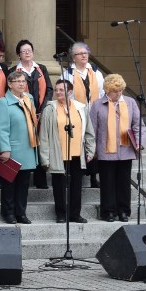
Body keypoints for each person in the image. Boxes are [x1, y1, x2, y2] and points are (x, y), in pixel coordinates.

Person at [89, 74, 146, 222]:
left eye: (121, 90)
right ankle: (108, 211)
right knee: (107, 182)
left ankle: (123, 211)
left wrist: (140, 142)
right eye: (115, 91)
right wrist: (91, 149)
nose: (118, 93)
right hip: (105, 150)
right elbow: (92, 129)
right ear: (107, 90)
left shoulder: (130, 102)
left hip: (126, 149)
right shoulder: (97, 104)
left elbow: (138, 125)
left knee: (124, 182)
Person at [38, 80, 95, 223]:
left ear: (70, 92)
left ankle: (75, 214)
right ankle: (61, 214)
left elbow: (89, 132)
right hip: (58, 153)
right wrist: (45, 157)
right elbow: (44, 136)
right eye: (56, 90)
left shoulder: (80, 108)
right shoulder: (50, 109)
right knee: (59, 186)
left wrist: (90, 151)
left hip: (77, 153)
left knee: (76, 185)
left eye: (61, 90)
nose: (58, 92)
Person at [0, 71, 39, 224]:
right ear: (10, 84)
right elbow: (0, 128)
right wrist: (5, 148)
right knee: (9, 184)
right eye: (17, 81)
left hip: (27, 147)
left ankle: (21, 212)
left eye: (23, 81)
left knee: (24, 184)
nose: (21, 84)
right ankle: (9, 213)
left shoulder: (29, 98)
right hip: (12, 149)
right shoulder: (2, 102)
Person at [62, 41, 105, 188]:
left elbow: (102, 92)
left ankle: (94, 176)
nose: (84, 56)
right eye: (80, 54)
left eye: (86, 53)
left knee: (94, 143)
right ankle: (78, 174)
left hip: (95, 112)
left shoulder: (95, 72)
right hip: (77, 113)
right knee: (80, 143)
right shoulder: (68, 73)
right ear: (73, 57)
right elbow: (67, 95)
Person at [13, 40, 53, 189]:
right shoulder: (13, 71)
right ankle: (21, 176)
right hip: (23, 114)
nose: (27, 52)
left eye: (29, 50)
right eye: (23, 51)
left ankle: (40, 179)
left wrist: (42, 111)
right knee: (25, 143)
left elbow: (49, 89)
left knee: (40, 144)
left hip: (41, 114)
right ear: (19, 55)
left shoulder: (41, 69)